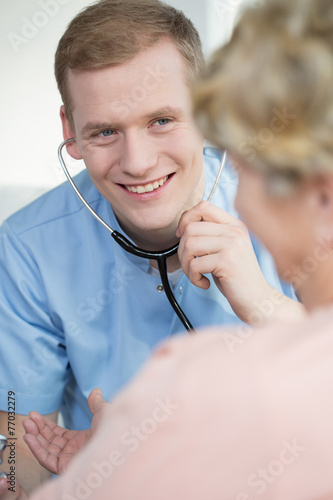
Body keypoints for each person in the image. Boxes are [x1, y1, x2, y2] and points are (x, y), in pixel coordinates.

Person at [0, 0, 303, 495]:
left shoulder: (294, 203)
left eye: (161, 120)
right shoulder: (27, 249)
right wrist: (80, 472)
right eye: (104, 131)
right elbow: (14, 450)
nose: (137, 163)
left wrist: (268, 307)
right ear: (70, 133)